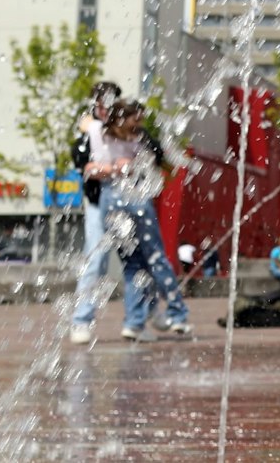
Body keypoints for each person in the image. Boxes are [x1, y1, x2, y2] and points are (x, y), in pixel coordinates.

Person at [96, 100, 192, 340]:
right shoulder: (140, 137)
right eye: (136, 118)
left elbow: (95, 165)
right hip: (134, 195)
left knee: (132, 265)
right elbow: (157, 160)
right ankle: (177, 315)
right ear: (126, 118)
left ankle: (134, 323)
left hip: (110, 199)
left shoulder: (101, 134)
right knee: (156, 258)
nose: (139, 122)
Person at [68, 82, 145, 345]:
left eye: (110, 104)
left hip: (128, 202)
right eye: (100, 105)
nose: (105, 110)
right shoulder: (88, 134)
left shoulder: (131, 132)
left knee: (135, 258)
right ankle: (81, 320)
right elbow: (87, 167)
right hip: (97, 202)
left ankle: (136, 322)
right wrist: (115, 168)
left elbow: (153, 154)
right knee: (96, 257)